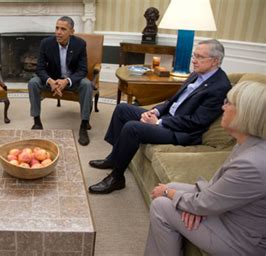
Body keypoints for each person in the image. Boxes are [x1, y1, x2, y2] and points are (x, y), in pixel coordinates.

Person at [88, 39, 231, 194]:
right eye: (194, 56)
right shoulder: (196, 74)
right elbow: (173, 101)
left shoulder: (220, 86)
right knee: (122, 109)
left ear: (215, 61)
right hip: (168, 117)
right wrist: (155, 111)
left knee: (132, 128)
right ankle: (114, 158)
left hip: (183, 132)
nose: (194, 61)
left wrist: (159, 122)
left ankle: (117, 178)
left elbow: (197, 122)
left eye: (200, 57)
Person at [144, 81, 266, 255]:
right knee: (172, 187)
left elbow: (205, 203)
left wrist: (171, 196)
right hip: (229, 212)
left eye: (228, 103)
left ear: (245, 113)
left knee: (162, 205)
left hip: (242, 239)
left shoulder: (251, 164)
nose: (222, 108)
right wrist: (190, 204)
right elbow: (217, 186)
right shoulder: (248, 143)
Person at [28, 16, 93, 146]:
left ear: (72, 31)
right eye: (57, 28)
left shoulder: (80, 44)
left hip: (71, 80)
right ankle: (36, 120)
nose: (58, 32)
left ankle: (84, 125)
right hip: (52, 79)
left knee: (87, 84)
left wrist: (66, 81)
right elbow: (39, 68)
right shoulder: (46, 43)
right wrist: (50, 81)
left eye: (63, 29)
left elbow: (82, 70)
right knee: (33, 83)